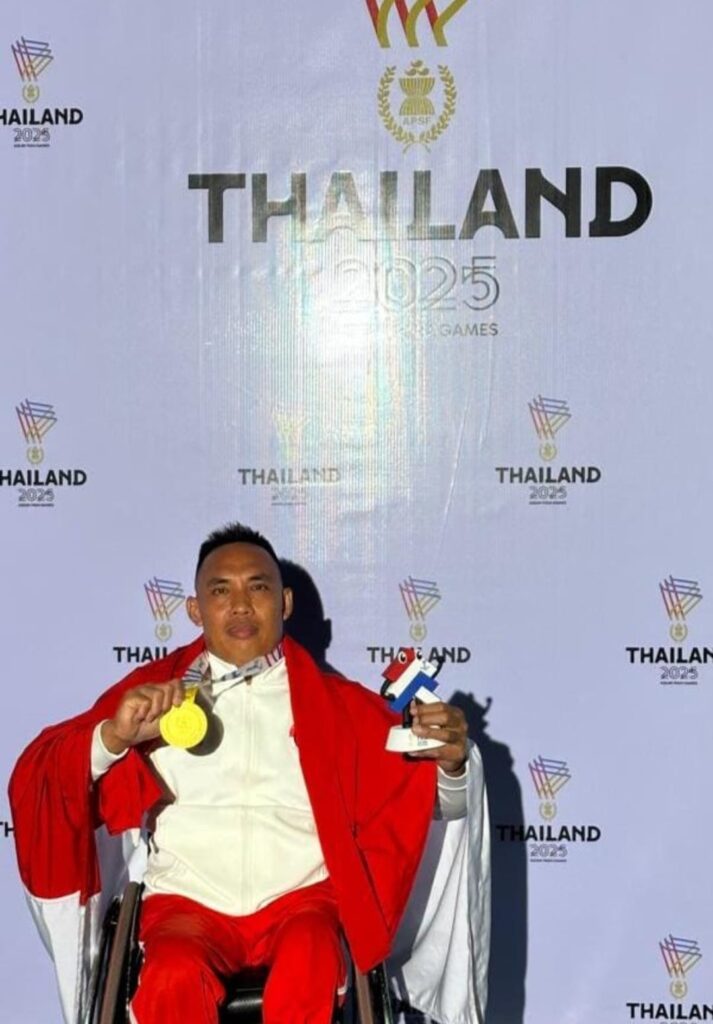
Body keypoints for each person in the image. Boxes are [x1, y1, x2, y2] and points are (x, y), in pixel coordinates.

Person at [10, 524, 489, 1024]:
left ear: (284, 603)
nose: (240, 605)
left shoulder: (340, 708)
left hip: (303, 900)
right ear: (195, 610)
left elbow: (437, 806)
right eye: (221, 591)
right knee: (172, 975)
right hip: (186, 905)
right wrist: (113, 738)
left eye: (257, 587)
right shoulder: (151, 696)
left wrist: (453, 764)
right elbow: (42, 774)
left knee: (312, 955)